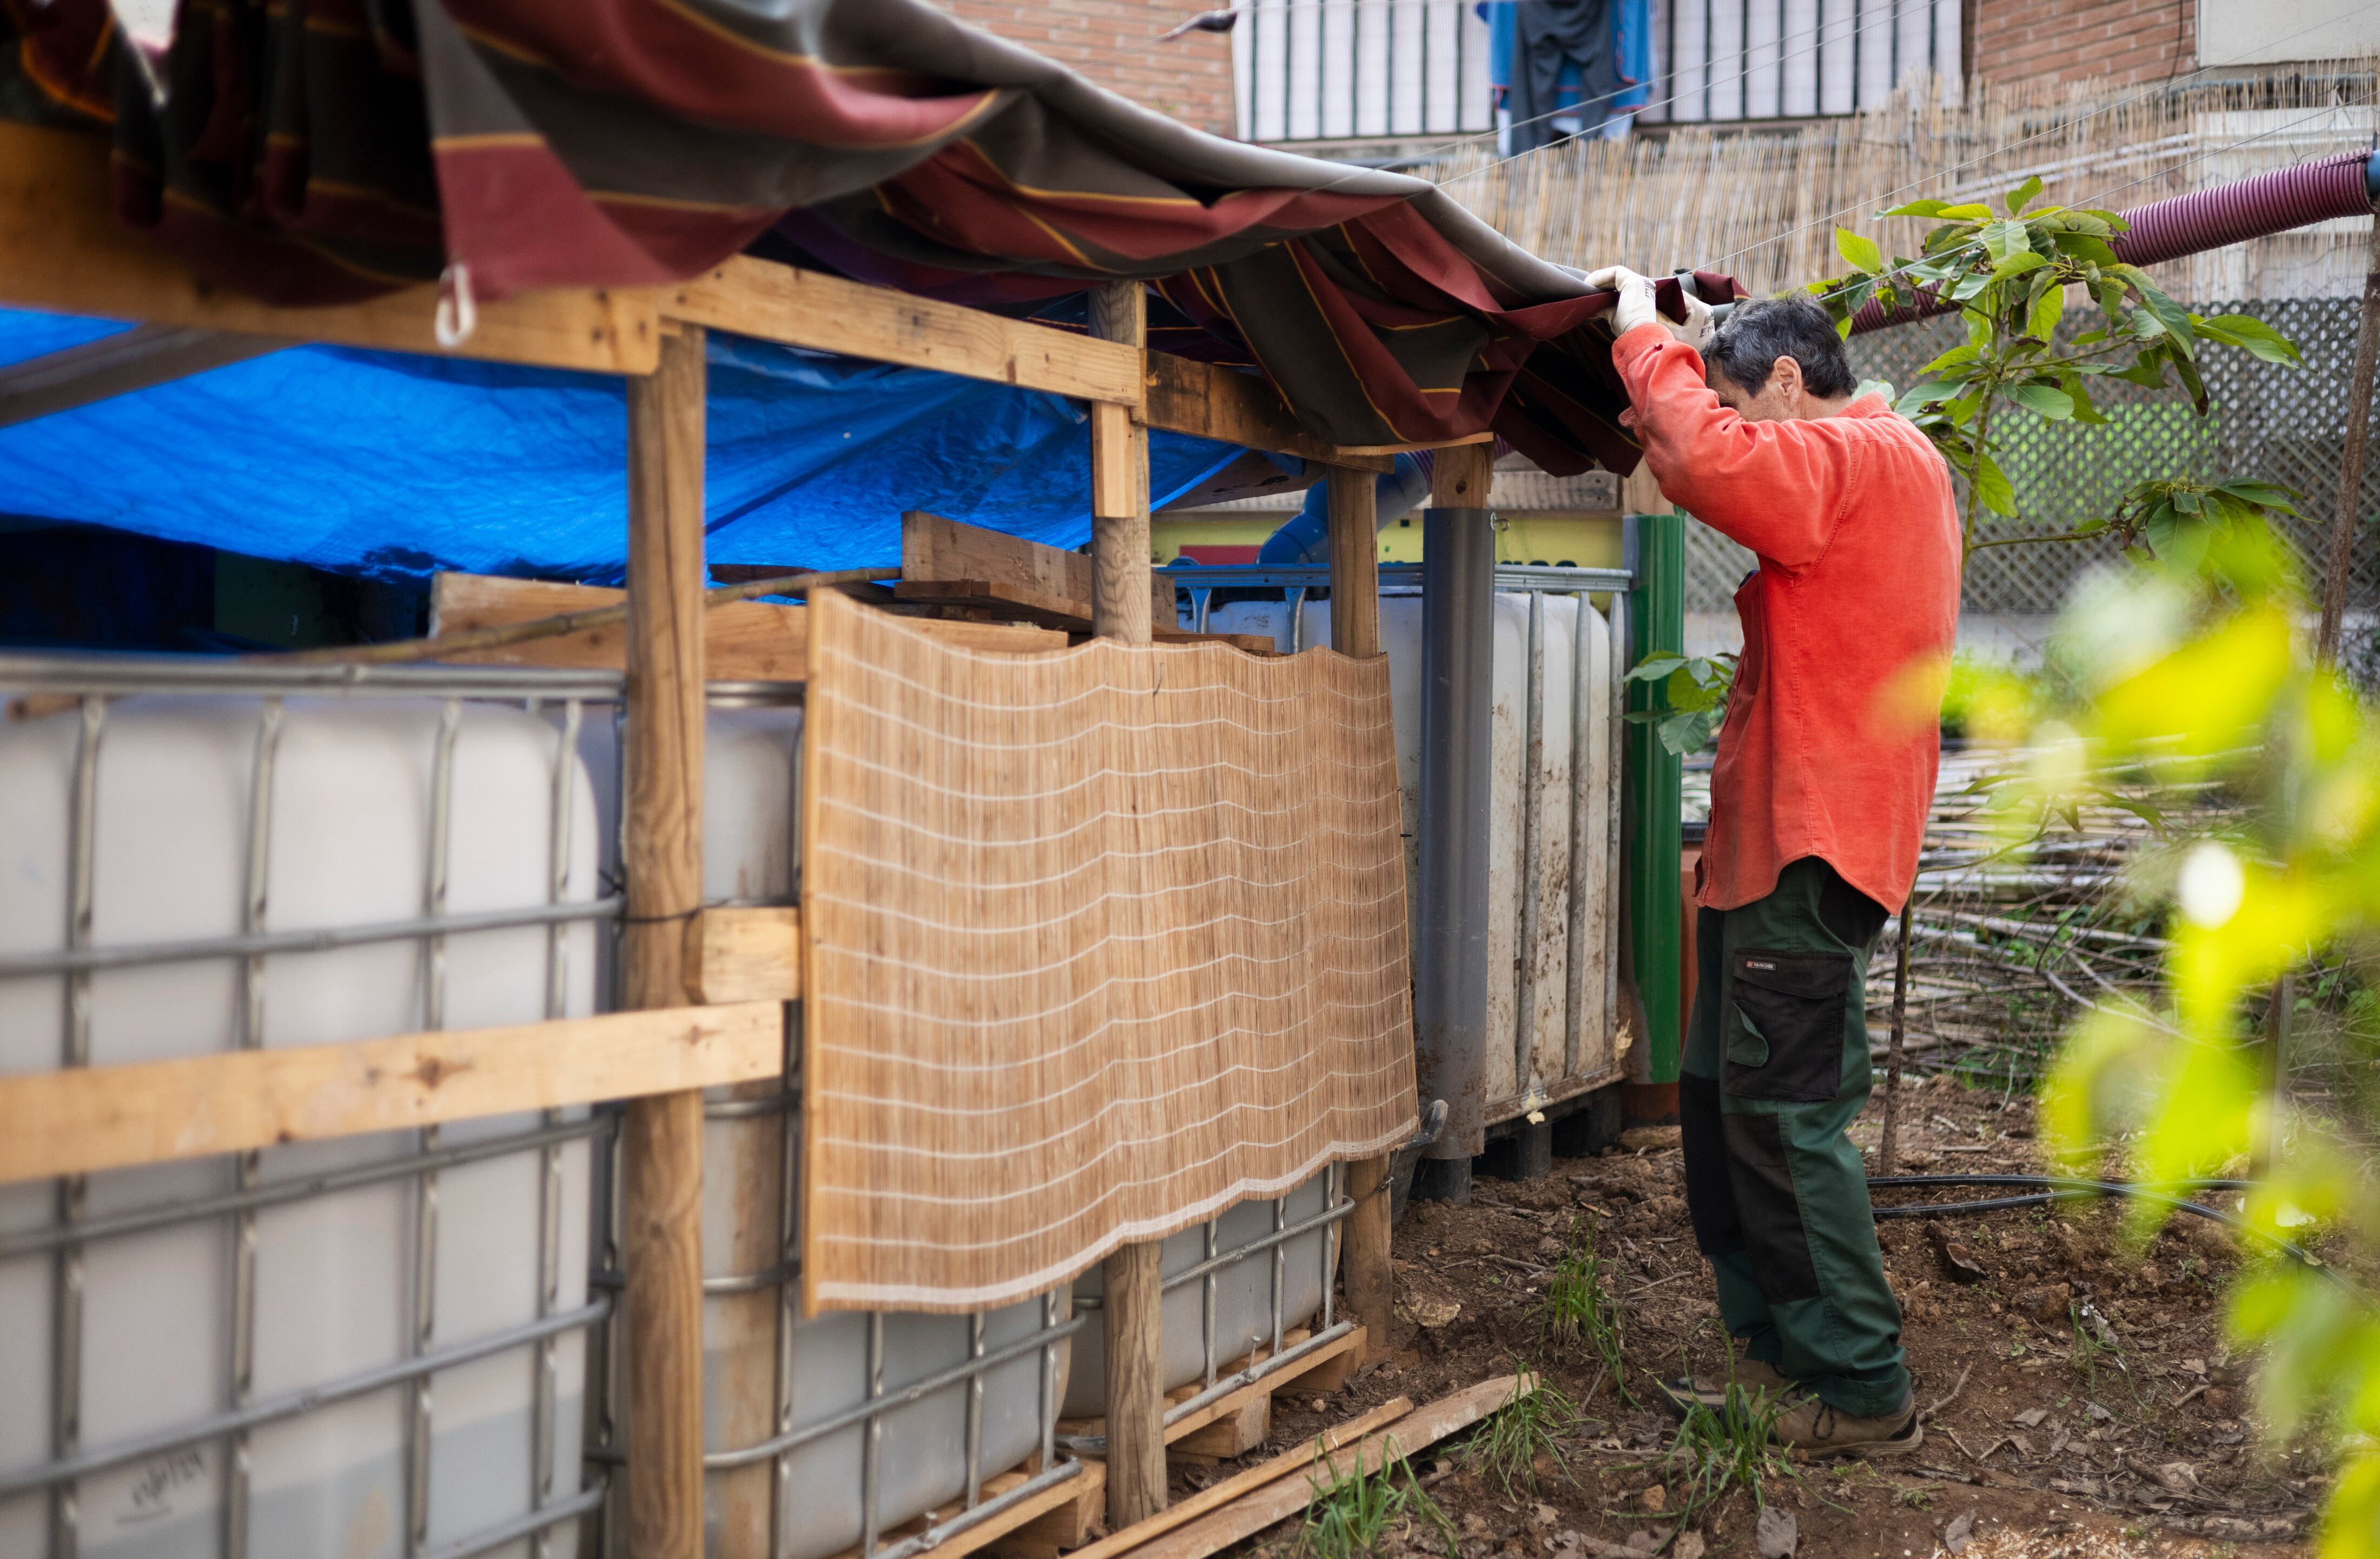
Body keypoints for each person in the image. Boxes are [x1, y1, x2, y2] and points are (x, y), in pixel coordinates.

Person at [1583, 269, 1962, 1455]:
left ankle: (1859, 1389)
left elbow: (1705, 461)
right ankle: (1777, 1359)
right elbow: (1699, 452)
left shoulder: (1862, 457)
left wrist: (1644, 338)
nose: (1736, 427)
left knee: (1788, 1119)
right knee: (1719, 1103)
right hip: (1778, 842)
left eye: (1744, 404)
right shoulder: (1866, 465)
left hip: (1814, 840)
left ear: (1791, 384)